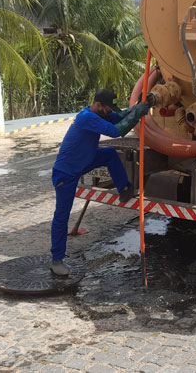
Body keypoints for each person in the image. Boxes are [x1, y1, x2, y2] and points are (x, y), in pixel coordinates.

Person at [50, 88, 153, 276]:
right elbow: (117, 131)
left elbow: (120, 116)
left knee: (109, 154)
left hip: (84, 160)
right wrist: (138, 112)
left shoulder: (99, 113)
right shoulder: (86, 118)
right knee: (61, 216)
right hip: (66, 173)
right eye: (107, 109)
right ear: (98, 105)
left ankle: (124, 189)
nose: (110, 112)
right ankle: (57, 259)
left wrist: (140, 106)